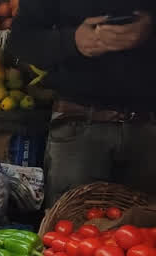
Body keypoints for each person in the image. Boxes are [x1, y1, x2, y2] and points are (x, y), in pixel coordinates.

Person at [8, 3, 156, 206]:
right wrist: (73, 41)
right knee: (69, 228)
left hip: (148, 127)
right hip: (78, 127)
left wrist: (150, 28)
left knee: (146, 229)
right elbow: (21, 41)